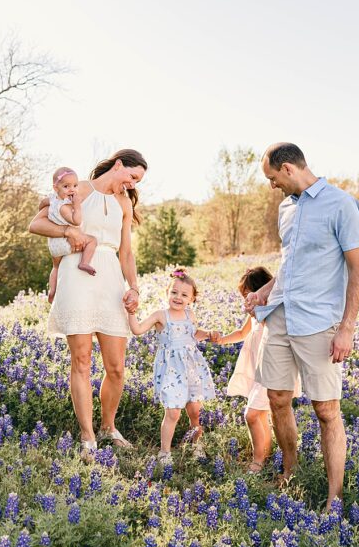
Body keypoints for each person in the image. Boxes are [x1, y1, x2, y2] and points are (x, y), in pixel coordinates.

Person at [245, 142, 359, 508]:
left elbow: (358, 269)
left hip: (319, 322)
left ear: (288, 169)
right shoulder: (286, 208)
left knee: (327, 410)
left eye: (272, 178)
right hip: (282, 316)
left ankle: (334, 497)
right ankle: (290, 471)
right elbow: (290, 264)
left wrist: (346, 328)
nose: (272, 187)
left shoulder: (341, 204)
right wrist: (265, 291)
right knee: (277, 398)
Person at [28, 148, 147, 457]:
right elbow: (36, 224)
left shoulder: (123, 203)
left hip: (109, 278)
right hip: (77, 274)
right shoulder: (78, 188)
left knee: (117, 367)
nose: (133, 184)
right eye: (132, 176)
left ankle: (109, 427)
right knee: (81, 360)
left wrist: (133, 287)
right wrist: (67, 230)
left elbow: (127, 253)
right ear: (118, 165)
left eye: (137, 181)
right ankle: (88, 436)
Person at [126, 268, 217, 465]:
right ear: (167, 292)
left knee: (195, 411)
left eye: (184, 294)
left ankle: (196, 446)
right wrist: (131, 313)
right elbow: (137, 329)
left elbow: (193, 335)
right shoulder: (161, 315)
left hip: (191, 367)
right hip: (171, 370)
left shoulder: (190, 315)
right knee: (173, 412)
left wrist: (208, 333)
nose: (178, 297)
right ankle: (164, 452)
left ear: (192, 299)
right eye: (174, 292)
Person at [215, 265, 300, 473]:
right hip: (257, 370)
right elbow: (242, 333)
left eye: (247, 294)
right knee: (261, 415)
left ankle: (258, 461)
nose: (245, 300)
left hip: (271, 370)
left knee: (251, 415)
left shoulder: (274, 310)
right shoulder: (253, 314)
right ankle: (267, 453)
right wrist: (221, 341)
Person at [42, 167, 98, 304]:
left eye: (75, 185)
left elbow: (42, 203)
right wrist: (77, 206)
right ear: (56, 188)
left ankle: (52, 291)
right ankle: (84, 262)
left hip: (54, 245)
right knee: (93, 240)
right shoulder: (64, 207)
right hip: (66, 243)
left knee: (55, 267)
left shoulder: (52, 201)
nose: (72, 189)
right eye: (66, 186)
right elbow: (76, 220)